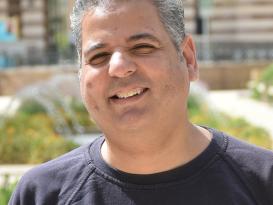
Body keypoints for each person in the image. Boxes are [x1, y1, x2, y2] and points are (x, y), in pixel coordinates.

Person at [9, 0, 273, 204]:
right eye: (99, 55)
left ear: (189, 59)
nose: (119, 67)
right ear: (80, 75)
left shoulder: (264, 183)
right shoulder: (41, 195)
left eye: (142, 47)